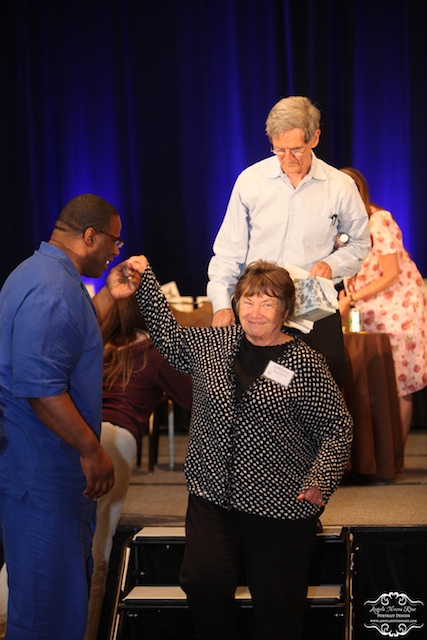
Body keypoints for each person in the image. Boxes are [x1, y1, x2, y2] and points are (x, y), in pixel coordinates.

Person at [127, 256, 353, 640]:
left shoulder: (307, 364)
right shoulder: (214, 344)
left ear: (286, 309)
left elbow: (337, 428)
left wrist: (320, 480)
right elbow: (168, 336)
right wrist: (145, 279)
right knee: (202, 582)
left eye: (267, 302)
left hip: (280, 504)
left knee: (277, 607)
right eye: (248, 300)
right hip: (212, 496)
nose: (255, 311)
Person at [0, 194, 142, 640]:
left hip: (40, 469)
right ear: (90, 236)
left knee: (55, 606)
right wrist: (92, 451)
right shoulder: (52, 288)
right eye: (114, 242)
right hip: (44, 473)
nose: (115, 252)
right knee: (48, 615)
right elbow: (41, 389)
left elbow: (72, 339)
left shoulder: (43, 273)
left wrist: (110, 297)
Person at [207, 95, 371, 389]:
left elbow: (360, 244)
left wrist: (331, 264)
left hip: (312, 301)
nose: (287, 158)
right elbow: (228, 253)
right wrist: (221, 304)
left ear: (314, 138)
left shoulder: (339, 186)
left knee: (323, 385)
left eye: (295, 149)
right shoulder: (251, 181)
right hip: (258, 300)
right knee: (254, 389)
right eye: (279, 149)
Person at [84, 296, 192, 640]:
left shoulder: (94, 346)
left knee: (54, 538)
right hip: (113, 444)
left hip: (76, 437)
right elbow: (195, 398)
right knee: (97, 548)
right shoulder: (153, 353)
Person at [338, 167, 427, 448]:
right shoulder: (340, 227)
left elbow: (391, 274)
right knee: (377, 383)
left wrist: (351, 297)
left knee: (399, 381)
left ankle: (394, 458)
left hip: (398, 310)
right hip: (368, 311)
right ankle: (378, 458)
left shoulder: (378, 221)